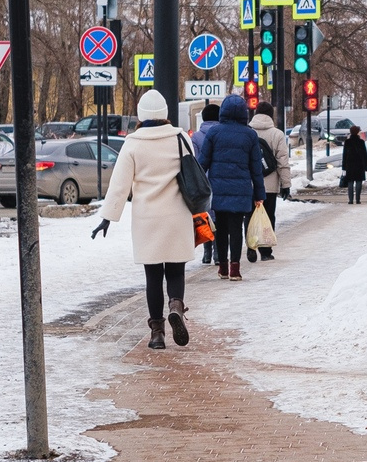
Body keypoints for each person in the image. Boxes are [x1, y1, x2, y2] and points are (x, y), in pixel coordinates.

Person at [90, 90, 195, 350]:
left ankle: (157, 334)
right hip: (177, 215)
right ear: (165, 113)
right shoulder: (180, 137)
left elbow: (120, 184)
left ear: (141, 114)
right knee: (176, 270)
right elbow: (193, 171)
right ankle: (176, 306)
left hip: (147, 218)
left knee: (153, 276)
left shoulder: (133, 143)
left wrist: (107, 218)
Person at [199, 94, 266, 281]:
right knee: (236, 228)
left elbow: (202, 162)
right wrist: (259, 194)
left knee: (220, 228)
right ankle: (235, 269)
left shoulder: (214, 133)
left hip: (218, 188)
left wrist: (197, 186)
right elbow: (256, 168)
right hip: (241, 189)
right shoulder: (250, 135)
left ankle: (222, 267)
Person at [247, 101, 290, 262]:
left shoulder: (247, 132)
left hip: (250, 183)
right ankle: (266, 251)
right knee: (268, 216)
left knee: (250, 216)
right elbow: (282, 161)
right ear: (271, 115)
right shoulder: (277, 134)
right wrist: (286, 184)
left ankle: (251, 246)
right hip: (270, 185)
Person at [191, 102, 221, 264]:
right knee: (219, 216)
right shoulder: (222, 134)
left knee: (205, 215)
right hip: (220, 179)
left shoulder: (196, 137)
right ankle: (218, 253)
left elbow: (194, 160)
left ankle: (207, 252)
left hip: (202, 181)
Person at [338, 124, 367, 204]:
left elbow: (344, 155)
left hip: (349, 165)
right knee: (359, 181)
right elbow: (364, 155)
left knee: (350, 182)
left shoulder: (347, 142)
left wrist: (344, 167)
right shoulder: (361, 142)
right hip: (359, 165)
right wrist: (366, 166)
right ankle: (358, 199)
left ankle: (350, 200)